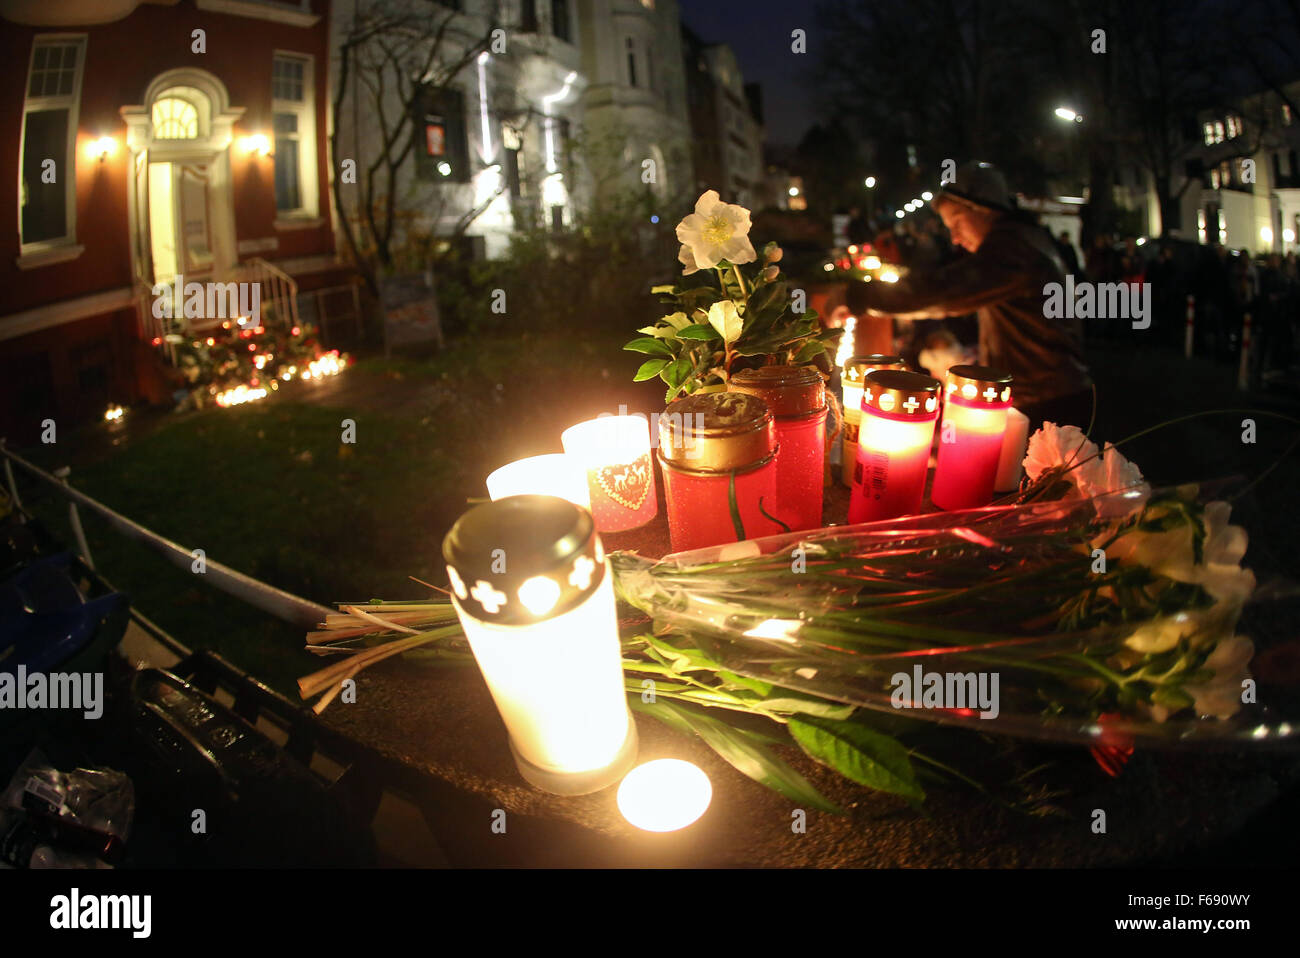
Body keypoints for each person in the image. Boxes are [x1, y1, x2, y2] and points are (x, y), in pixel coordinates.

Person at [846, 162, 1093, 431]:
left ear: (982, 208)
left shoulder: (1013, 249)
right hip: (1046, 394)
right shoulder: (1024, 239)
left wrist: (860, 296)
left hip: (1048, 404)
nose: (954, 238)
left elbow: (944, 292)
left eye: (957, 222)